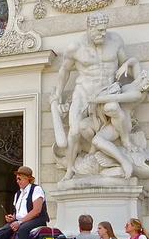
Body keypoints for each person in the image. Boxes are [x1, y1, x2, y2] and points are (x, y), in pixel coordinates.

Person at [52, 12, 137, 181]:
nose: (102, 34)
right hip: (83, 91)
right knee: (75, 131)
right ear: (89, 28)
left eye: (104, 30)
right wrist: (57, 95)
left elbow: (125, 63)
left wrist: (129, 63)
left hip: (107, 92)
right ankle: (70, 168)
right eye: (98, 30)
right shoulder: (75, 47)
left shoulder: (115, 41)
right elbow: (64, 71)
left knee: (113, 111)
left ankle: (124, 142)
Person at [93, 69, 149, 178]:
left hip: (123, 124)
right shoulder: (136, 82)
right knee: (96, 140)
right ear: (143, 75)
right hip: (112, 120)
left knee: (111, 107)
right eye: (147, 83)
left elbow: (114, 98)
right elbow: (134, 63)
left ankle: (124, 159)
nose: (146, 87)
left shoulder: (137, 94)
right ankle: (119, 162)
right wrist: (126, 65)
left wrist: (94, 99)